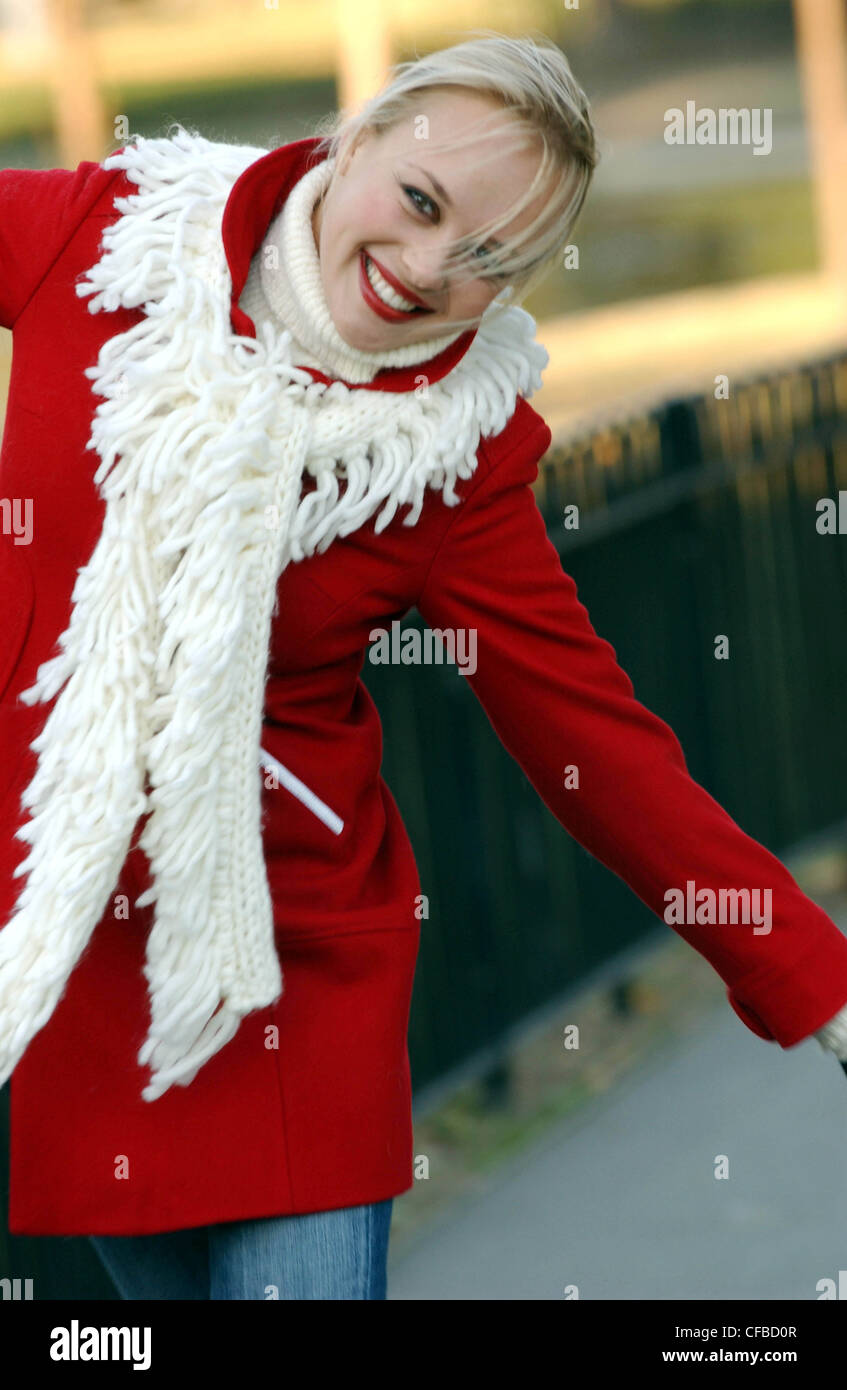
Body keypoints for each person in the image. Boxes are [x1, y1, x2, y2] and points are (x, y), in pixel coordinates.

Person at [1, 30, 846, 1303]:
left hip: (294, 981)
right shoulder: (111, 237)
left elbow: (598, 747)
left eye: (488, 261)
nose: (427, 269)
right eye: (421, 202)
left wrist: (819, 982)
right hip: (75, 966)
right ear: (357, 139)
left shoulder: (454, 457)